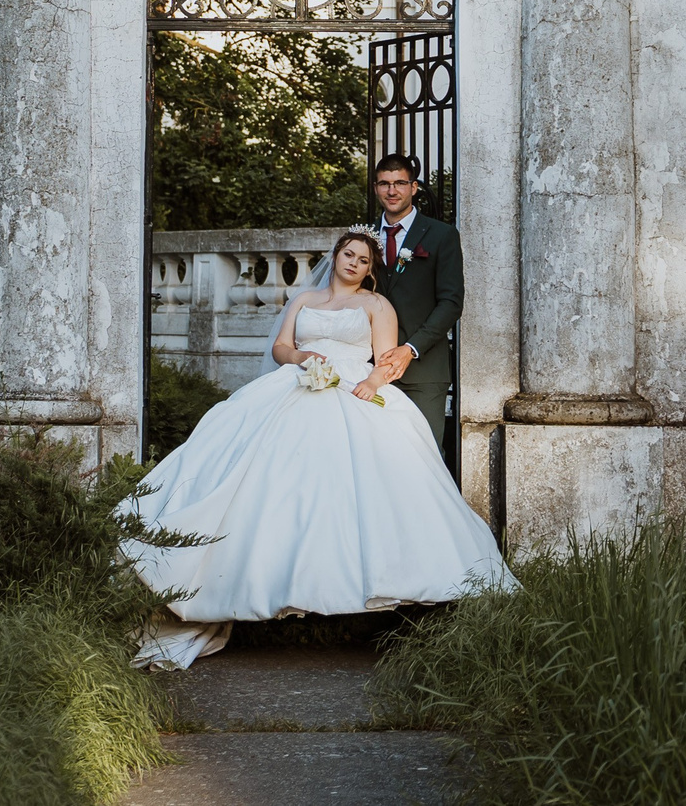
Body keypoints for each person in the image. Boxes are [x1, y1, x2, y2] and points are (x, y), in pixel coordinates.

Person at [117, 227, 514, 670]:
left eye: (364, 261)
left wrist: (369, 384)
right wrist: (302, 359)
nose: (354, 264)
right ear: (337, 255)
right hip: (295, 384)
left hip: (353, 387)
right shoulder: (303, 300)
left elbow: (386, 360)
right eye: (349, 255)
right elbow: (282, 347)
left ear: (370, 270)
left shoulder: (376, 305)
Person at [365, 152, 462, 458]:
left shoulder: (441, 235)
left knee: (423, 459)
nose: (391, 191)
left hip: (423, 371)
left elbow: (451, 302)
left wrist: (410, 349)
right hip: (370, 370)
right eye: (384, 183)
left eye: (399, 183)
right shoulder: (362, 239)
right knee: (376, 457)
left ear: (414, 187)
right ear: (376, 187)